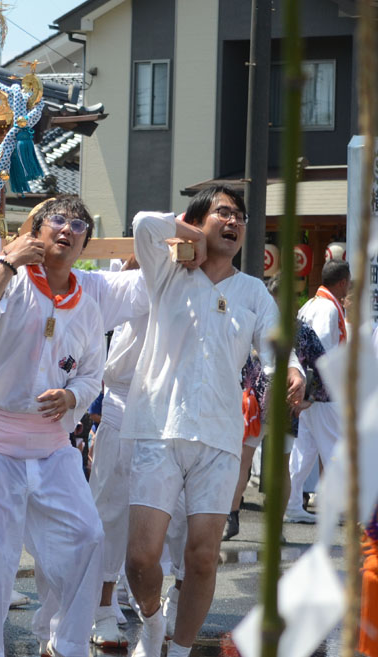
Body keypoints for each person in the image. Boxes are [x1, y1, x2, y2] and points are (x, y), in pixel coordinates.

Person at [0, 195, 148, 657]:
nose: (67, 229)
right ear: (35, 231)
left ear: (84, 244)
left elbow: (92, 371)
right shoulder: (9, 277)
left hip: (52, 442)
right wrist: (7, 259)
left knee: (87, 536)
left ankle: (67, 641)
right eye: (57, 219)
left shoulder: (88, 300)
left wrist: (74, 395)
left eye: (79, 225)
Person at [123, 187, 304, 657]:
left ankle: (180, 650)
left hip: (219, 437)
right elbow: (144, 221)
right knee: (141, 556)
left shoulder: (254, 293)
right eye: (223, 213)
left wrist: (292, 373)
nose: (235, 222)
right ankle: (152, 617)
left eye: (240, 217)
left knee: (202, 557)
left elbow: (275, 349)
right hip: (157, 429)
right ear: (199, 221)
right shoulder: (167, 273)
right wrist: (188, 238)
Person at [224, 273, 329, 540]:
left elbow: (324, 369)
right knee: (244, 460)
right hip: (255, 405)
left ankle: (261, 523)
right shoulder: (277, 327)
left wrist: (308, 398)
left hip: (282, 405)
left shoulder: (300, 331)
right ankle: (234, 517)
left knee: (265, 464)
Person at [87, 259, 148, 649]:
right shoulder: (132, 280)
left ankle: (144, 593)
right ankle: (101, 604)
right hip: (124, 400)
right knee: (110, 508)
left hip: (175, 407)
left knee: (162, 510)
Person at [285, 258, 350, 523]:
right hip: (322, 392)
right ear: (343, 283)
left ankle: (290, 505)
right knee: (335, 447)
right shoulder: (327, 308)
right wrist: (311, 392)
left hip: (311, 391)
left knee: (305, 450)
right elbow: (319, 351)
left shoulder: (312, 303)